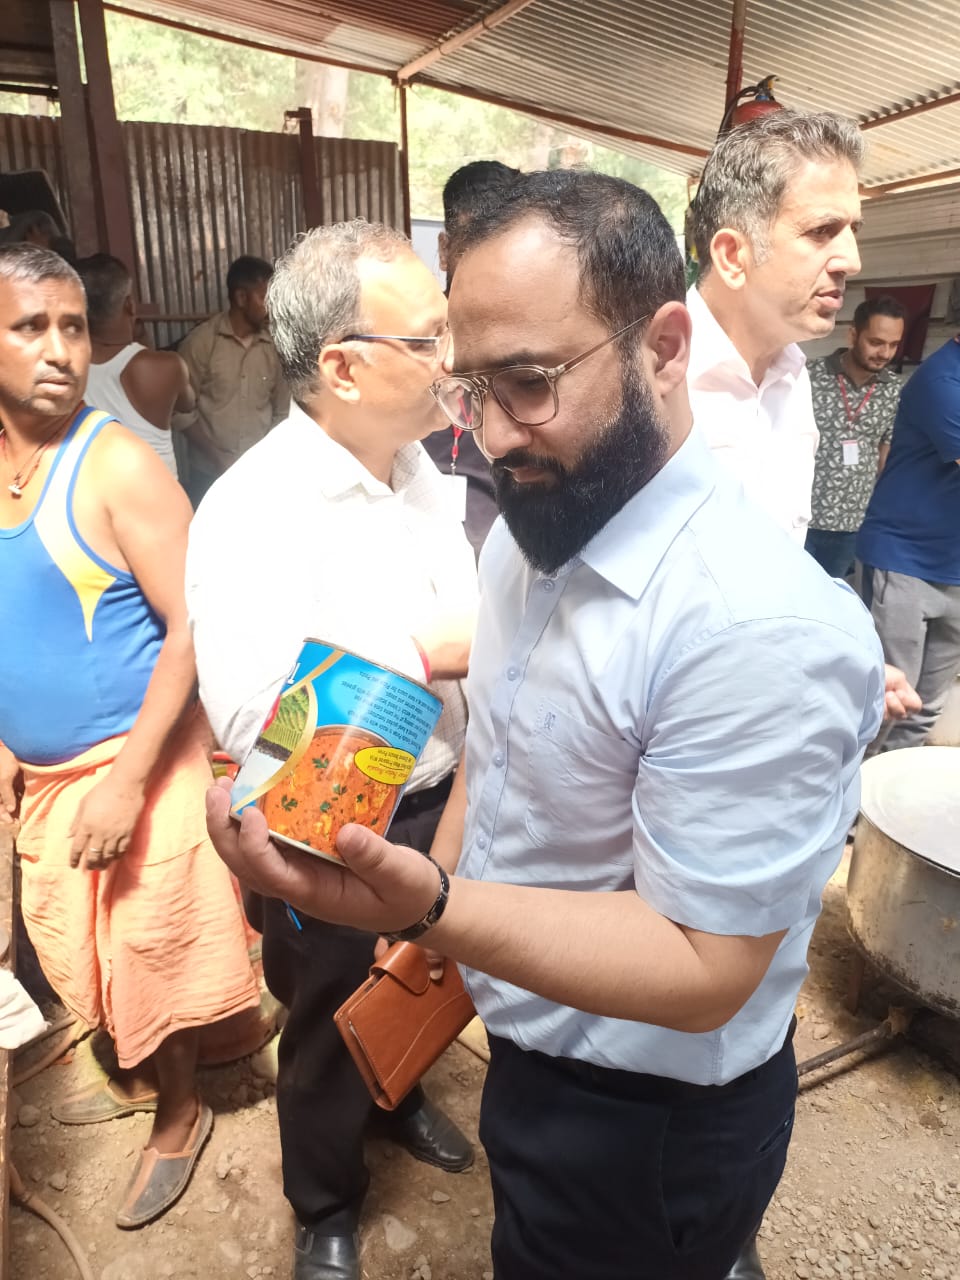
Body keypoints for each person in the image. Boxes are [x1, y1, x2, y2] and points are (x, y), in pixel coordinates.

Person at [206, 170, 885, 1280]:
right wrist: (433, 879)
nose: (485, 438)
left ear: (665, 345)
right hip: (532, 1039)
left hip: (646, 1108)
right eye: (467, 387)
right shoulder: (532, 535)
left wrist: (433, 904)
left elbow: (704, 959)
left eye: (526, 383)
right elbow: (506, 736)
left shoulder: (758, 628)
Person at [186, 221, 477, 1280]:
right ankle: (324, 1196)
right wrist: (432, 653)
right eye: (428, 339)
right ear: (344, 365)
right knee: (322, 1012)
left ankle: (397, 1092)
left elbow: (478, 618)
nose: (453, 361)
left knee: (418, 973)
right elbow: (260, 719)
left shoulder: (427, 473)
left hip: (438, 797)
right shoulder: (252, 509)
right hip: (327, 824)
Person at [0, 244, 259, 1228]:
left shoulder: (114, 464)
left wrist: (128, 783)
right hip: (43, 771)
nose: (61, 348)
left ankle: (182, 1112)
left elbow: (193, 624)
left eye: (73, 325)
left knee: (153, 943)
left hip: (130, 759)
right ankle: (155, 1061)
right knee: (78, 952)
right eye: (32, 327)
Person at [686, 108, 920, 767]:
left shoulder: (792, 379)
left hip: (758, 724)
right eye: (822, 230)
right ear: (733, 255)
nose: (851, 258)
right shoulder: (651, 379)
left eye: (852, 229)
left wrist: (847, 652)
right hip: (663, 750)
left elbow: (781, 561)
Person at [856, 334, 960, 751]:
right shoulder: (943, 380)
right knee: (884, 706)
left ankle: (887, 810)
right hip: (904, 561)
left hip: (953, 569)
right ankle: (849, 807)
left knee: (925, 712)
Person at [421, 161, 520, 562]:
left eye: (500, 251)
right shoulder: (410, 343)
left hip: (508, 563)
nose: (487, 269)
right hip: (418, 562)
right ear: (444, 250)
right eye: (471, 247)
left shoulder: (538, 349)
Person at [805, 296, 906, 578]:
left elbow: (885, 456)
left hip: (852, 525)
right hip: (799, 517)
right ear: (853, 334)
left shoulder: (894, 391)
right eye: (876, 342)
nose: (885, 353)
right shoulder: (807, 376)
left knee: (830, 604)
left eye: (894, 344)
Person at [177, 254, 289, 506]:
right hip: (208, 476)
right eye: (264, 298)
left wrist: (266, 460)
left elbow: (282, 412)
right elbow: (181, 413)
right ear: (241, 298)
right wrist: (217, 458)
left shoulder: (275, 347)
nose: (271, 307)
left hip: (261, 477)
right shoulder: (202, 343)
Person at [76, 253, 196, 478]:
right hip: (159, 501)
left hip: (95, 502)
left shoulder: (67, 368)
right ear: (130, 305)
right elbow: (188, 403)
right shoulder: (167, 367)